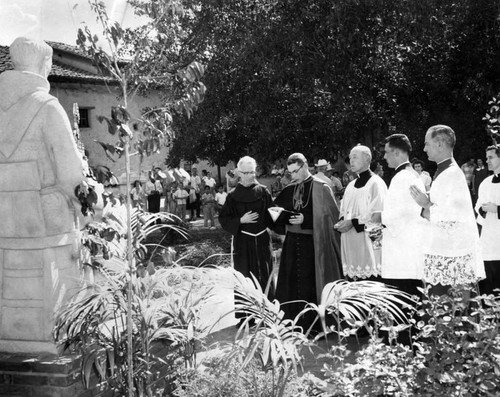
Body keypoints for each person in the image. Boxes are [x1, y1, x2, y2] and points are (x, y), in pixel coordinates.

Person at [0, 37, 85, 351]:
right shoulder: (48, 107)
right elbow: (71, 175)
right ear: (41, 64)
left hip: (5, 222)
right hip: (47, 222)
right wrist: (90, 203)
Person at [409, 125, 485, 294]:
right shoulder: (444, 171)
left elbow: (451, 218)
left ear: (440, 144)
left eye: (427, 143)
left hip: (452, 255)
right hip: (445, 252)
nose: (424, 148)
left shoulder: (451, 174)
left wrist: (426, 205)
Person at [273, 153, 342, 331]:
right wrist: (282, 218)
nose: (293, 176)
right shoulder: (289, 188)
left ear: (304, 167)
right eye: (290, 173)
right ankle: (292, 323)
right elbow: (276, 210)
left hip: (312, 244)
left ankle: (312, 325)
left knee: (309, 285)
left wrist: (306, 218)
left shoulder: (321, 187)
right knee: (290, 284)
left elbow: (331, 219)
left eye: (295, 171)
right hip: (291, 243)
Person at [219, 156, 275, 319]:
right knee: (244, 276)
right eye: (247, 172)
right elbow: (224, 219)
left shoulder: (263, 192)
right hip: (243, 242)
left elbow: (272, 214)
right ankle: (246, 316)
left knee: (265, 273)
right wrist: (240, 220)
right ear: (240, 174)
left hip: (262, 240)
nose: (251, 175)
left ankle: (268, 312)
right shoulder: (232, 196)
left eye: (252, 171)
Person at [335, 145, 387, 280]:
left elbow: (378, 215)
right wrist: (342, 222)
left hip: (369, 243)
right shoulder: (350, 186)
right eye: (350, 157)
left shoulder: (376, 183)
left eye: (355, 157)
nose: (351, 161)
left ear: (367, 159)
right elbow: (344, 210)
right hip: (351, 242)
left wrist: (353, 223)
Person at [475, 145, 500, 295]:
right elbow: (477, 208)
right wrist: (483, 210)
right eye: (486, 158)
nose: (487, 161)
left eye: (491, 157)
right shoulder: (485, 183)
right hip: (489, 245)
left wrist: (497, 209)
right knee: (488, 294)